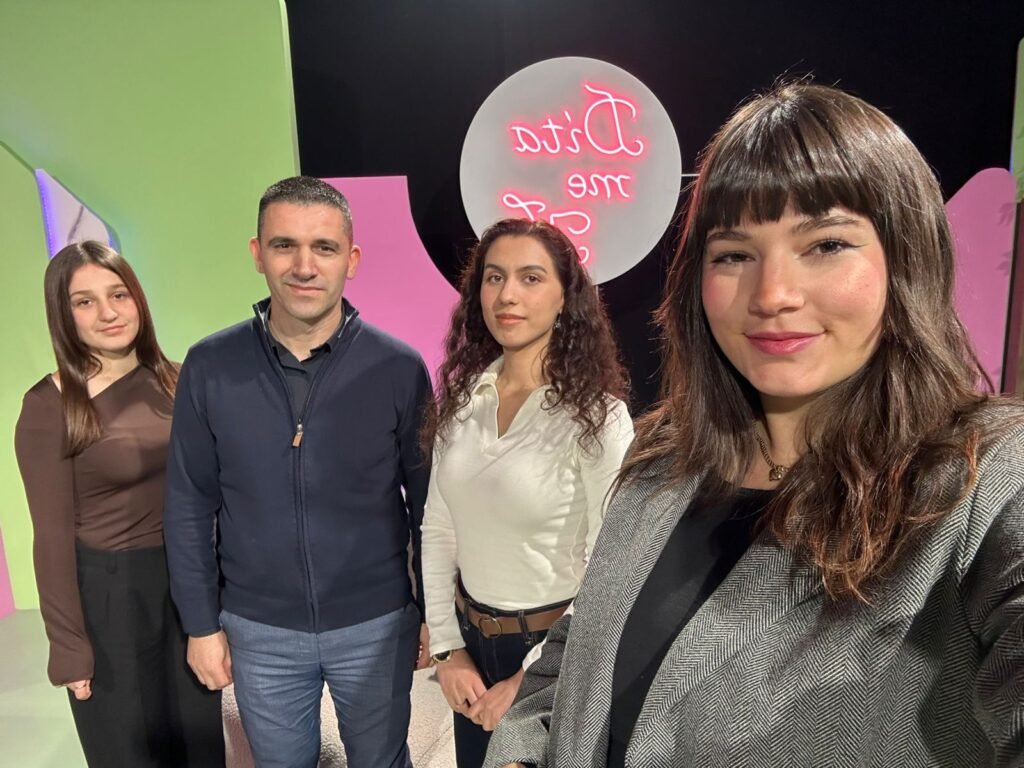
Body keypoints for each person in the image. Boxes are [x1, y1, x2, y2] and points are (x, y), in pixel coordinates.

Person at [485, 83, 1024, 768]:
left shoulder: (983, 485)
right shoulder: (665, 458)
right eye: (734, 254)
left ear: (906, 258)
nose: (771, 295)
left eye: (826, 244)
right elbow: (584, 639)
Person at [163, 176, 431, 768]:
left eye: (324, 247)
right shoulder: (209, 366)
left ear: (351, 260)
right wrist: (201, 625)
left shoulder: (398, 368)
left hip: (376, 622)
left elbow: (427, 506)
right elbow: (187, 505)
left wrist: (434, 614)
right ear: (257, 253)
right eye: (284, 245)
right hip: (260, 628)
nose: (304, 266)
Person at [421, 218, 634, 767]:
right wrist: (447, 649)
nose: (507, 295)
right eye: (494, 277)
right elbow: (439, 529)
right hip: (471, 650)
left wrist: (531, 676)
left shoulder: (598, 417)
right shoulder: (462, 401)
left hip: (557, 653)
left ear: (565, 298)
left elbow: (611, 567)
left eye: (530, 278)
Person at [14, 241, 224, 767]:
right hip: (109, 603)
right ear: (63, 315)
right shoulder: (50, 406)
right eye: (85, 302)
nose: (107, 312)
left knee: (199, 749)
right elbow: (52, 538)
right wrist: (69, 648)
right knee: (128, 753)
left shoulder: (180, 380)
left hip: (188, 592)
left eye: (118, 294)